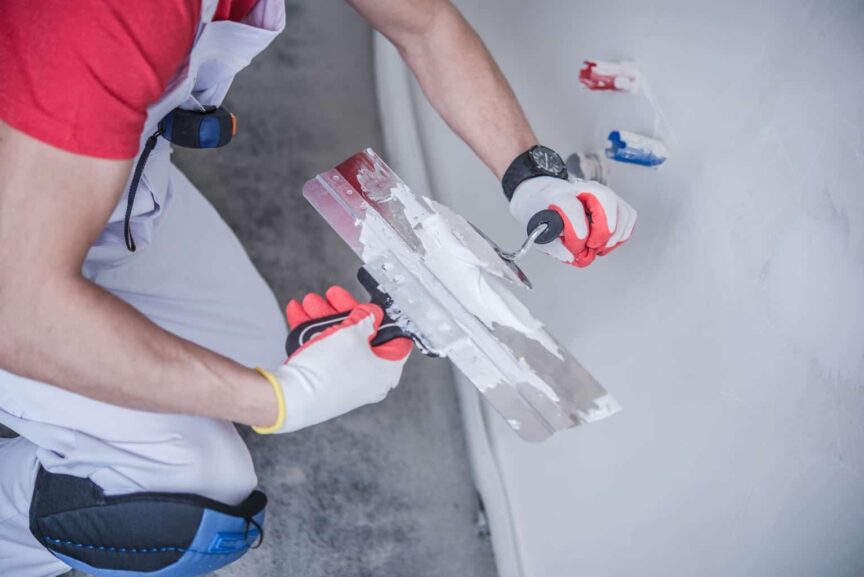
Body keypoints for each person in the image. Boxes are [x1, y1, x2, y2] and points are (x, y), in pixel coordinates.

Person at [0, 0, 637, 575]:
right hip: (16, 259)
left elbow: (426, 25)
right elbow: (20, 310)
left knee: (242, 360)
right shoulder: (114, 12)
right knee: (187, 492)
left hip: (93, 190)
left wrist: (531, 176)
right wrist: (280, 399)